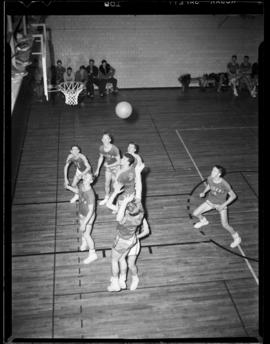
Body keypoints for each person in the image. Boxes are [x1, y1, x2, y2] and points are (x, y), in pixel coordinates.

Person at [107, 194, 149, 292]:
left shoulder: (125, 217)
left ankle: (125, 281)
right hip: (131, 240)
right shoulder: (136, 214)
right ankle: (122, 280)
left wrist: (117, 194)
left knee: (123, 262)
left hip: (127, 240)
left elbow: (146, 231)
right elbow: (110, 205)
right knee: (122, 259)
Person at [192, 165, 241, 249]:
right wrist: (204, 192)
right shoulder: (210, 178)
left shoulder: (225, 184)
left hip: (221, 204)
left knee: (225, 225)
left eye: (215, 171)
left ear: (219, 174)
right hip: (210, 201)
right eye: (212, 170)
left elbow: (233, 196)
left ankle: (237, 238)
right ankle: (203, 221)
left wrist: (223, 205)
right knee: (195, 213)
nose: (212, 172)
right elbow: (209, 185)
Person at [65, 173, 98, 264]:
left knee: (87, 234)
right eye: (85, 176)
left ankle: (93, 254)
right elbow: (78, 191)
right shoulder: (81, 185)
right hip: (82, 213)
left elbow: (91, 211)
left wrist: (84, 223)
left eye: (87, 178)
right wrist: (69, 188)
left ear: (91, 181)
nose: (84, 178)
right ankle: (84, 242)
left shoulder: (91, 195)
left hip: (88, 217)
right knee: (84, 232)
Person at [94, 133, 121, 205]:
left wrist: (109, 165)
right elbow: (101, 157)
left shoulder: (115, 149)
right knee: (106, 184)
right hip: (108, 168)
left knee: (114, 184)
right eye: (104, 138)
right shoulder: (101, 148)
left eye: (107, 138)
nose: (105, 140)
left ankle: (114, 200)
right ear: (102, 140)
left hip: (116, 168)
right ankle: (107, 197)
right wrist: (97, 169)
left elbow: (119, 161)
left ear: (110, 140)